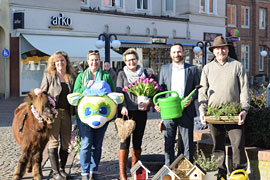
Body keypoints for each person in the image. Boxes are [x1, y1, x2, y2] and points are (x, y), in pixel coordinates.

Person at [198, 36, 249, 180]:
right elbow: (202, 91)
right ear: (213, 51)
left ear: (227, 49)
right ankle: (220, 173)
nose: (221, 51)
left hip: (234, 113)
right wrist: (202, 111)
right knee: (217, 145)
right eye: (217, 49)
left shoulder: (237, 65)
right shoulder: (207, 68)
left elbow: (244, 89)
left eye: (223, 48)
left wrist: (244, 109)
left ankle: (239, 173)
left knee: (237, 144)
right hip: (214, 114)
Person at [155, 43, 200, 165]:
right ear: (170, 54)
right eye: (174, 52)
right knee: (168, 143)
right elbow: (160, 90)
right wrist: (158, 104)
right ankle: (169, 170)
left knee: (187, 144)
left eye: (179, 52)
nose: (177, 54)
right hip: (169, 111)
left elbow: (198, 89)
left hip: (186, 110)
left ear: (183, 53)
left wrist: (192, 98)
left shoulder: (192, 69)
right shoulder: (164, 69)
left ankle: (187, 170)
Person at [73, 50, 114, 180]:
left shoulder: (106, 76)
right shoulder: (81, 77)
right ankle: (84, 173)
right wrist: (86, 86)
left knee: (97, 145)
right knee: (86, 144)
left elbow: (112, 95)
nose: (94, 62)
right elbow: (76, 93)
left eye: (96, 60)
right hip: (85, 117)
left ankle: (94, 171)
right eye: (92, 60)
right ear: (87, 61)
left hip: (101, 117)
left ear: (99, 61)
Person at [116, 49, 151, 180]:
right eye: (129, 60)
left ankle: (134, 171)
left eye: (133, 59)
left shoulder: (144, 73)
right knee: (124, 141)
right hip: (126, 113)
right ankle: (122, 174)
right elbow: (119, 92)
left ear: (137, 60)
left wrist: (148, 102)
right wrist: (122, 106)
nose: (131, 62)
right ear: (125, 62)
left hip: (141, 112)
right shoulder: (122, 75)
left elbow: (151, 92)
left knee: (137, 142)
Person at [40, 51, 75, 180]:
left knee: (65, 143)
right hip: (53, 114)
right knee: (54, 141)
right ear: (54, 63)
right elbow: (42, 93)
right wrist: (45, 112)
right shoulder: (49, 75)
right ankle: (55, 173)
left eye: (62, 60)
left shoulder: (71, 76)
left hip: (66, 113)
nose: (60, 63)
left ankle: (62, 169)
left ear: (66, 62)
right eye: (57, 61)